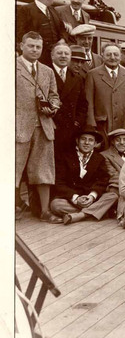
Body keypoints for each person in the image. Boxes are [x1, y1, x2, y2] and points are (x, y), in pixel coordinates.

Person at [16, 33, 62, 222]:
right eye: (31, 46)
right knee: (13, 169)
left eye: (38, 47)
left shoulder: (47, 71)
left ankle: (45, 211)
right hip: (18, 127)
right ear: (21, 46)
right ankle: (11, 208)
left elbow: (54, 95)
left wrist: (54, 106)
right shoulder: (10, 67)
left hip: (44, 126)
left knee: (44, 169)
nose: (35, 50)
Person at [50, 126, 118, 225]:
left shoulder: (99, 158)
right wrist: (76, 198)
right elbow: (59, 182)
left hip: (91, 199)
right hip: (72, 199)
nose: (87, 143)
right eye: (83, 139)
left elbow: (102, 181)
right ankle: (100, 212)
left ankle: (79, 216)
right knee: (55, 205)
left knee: (113, 196)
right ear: (77, 140)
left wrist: (92, 196)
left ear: (95, 144)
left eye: (90, 140)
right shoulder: (66, 157)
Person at [85, 43, 125, 139]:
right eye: (108, 54)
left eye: (116, 54)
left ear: (120, 56)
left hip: (124, 125)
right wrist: (91, 125)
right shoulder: (92, 75)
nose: (112, 57)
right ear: (102, 55)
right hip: (102, 126)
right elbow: (89, 103)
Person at [15, 0, 67, 65]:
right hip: (35, 57)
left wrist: (63, 39)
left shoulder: (53, 10)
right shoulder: (26, 10)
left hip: (53, 58)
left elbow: (62, 29)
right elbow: (19, 33)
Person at [51, 43, 88, 155]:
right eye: (59, 53)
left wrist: (76, 123)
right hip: (51, 127)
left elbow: (83, 105)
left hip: (69, 129)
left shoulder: (77, 78)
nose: (63, 56)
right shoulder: (46, 73)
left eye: (66, 54)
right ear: (52, 56)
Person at [101, 129, 125, 200]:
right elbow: (113, 176)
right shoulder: (105, 155)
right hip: (118, 187)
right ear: (112, 142)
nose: (122, 143)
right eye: (118, 140)